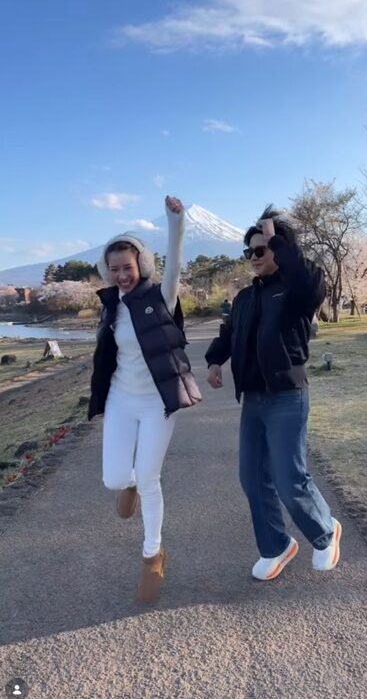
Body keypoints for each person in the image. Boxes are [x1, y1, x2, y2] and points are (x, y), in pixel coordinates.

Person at [205, 205, 341, 581]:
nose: (253, 256)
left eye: (261, 249)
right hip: (253, 400)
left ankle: (326, 531)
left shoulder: (295, 291)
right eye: (249, 251)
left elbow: (311, 284)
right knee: (251, 478)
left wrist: (278, 241)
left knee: (288, 479)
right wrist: (215, 360)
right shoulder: (245, 298)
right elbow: (229, 333)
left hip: (286, 397)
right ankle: (276, 546)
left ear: (280, 250)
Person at [89, 196, 202, 602]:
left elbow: (175, 263)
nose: (122, 275)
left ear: (141, 266)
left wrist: (177, 221)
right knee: (114, 479)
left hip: (158, 401)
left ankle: (152, 554)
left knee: (150, 476)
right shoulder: (111, 306)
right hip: (122, 398)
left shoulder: (161, 297)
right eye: (114, 269)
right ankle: (129, 484)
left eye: (128, 267)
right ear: (107, 270)